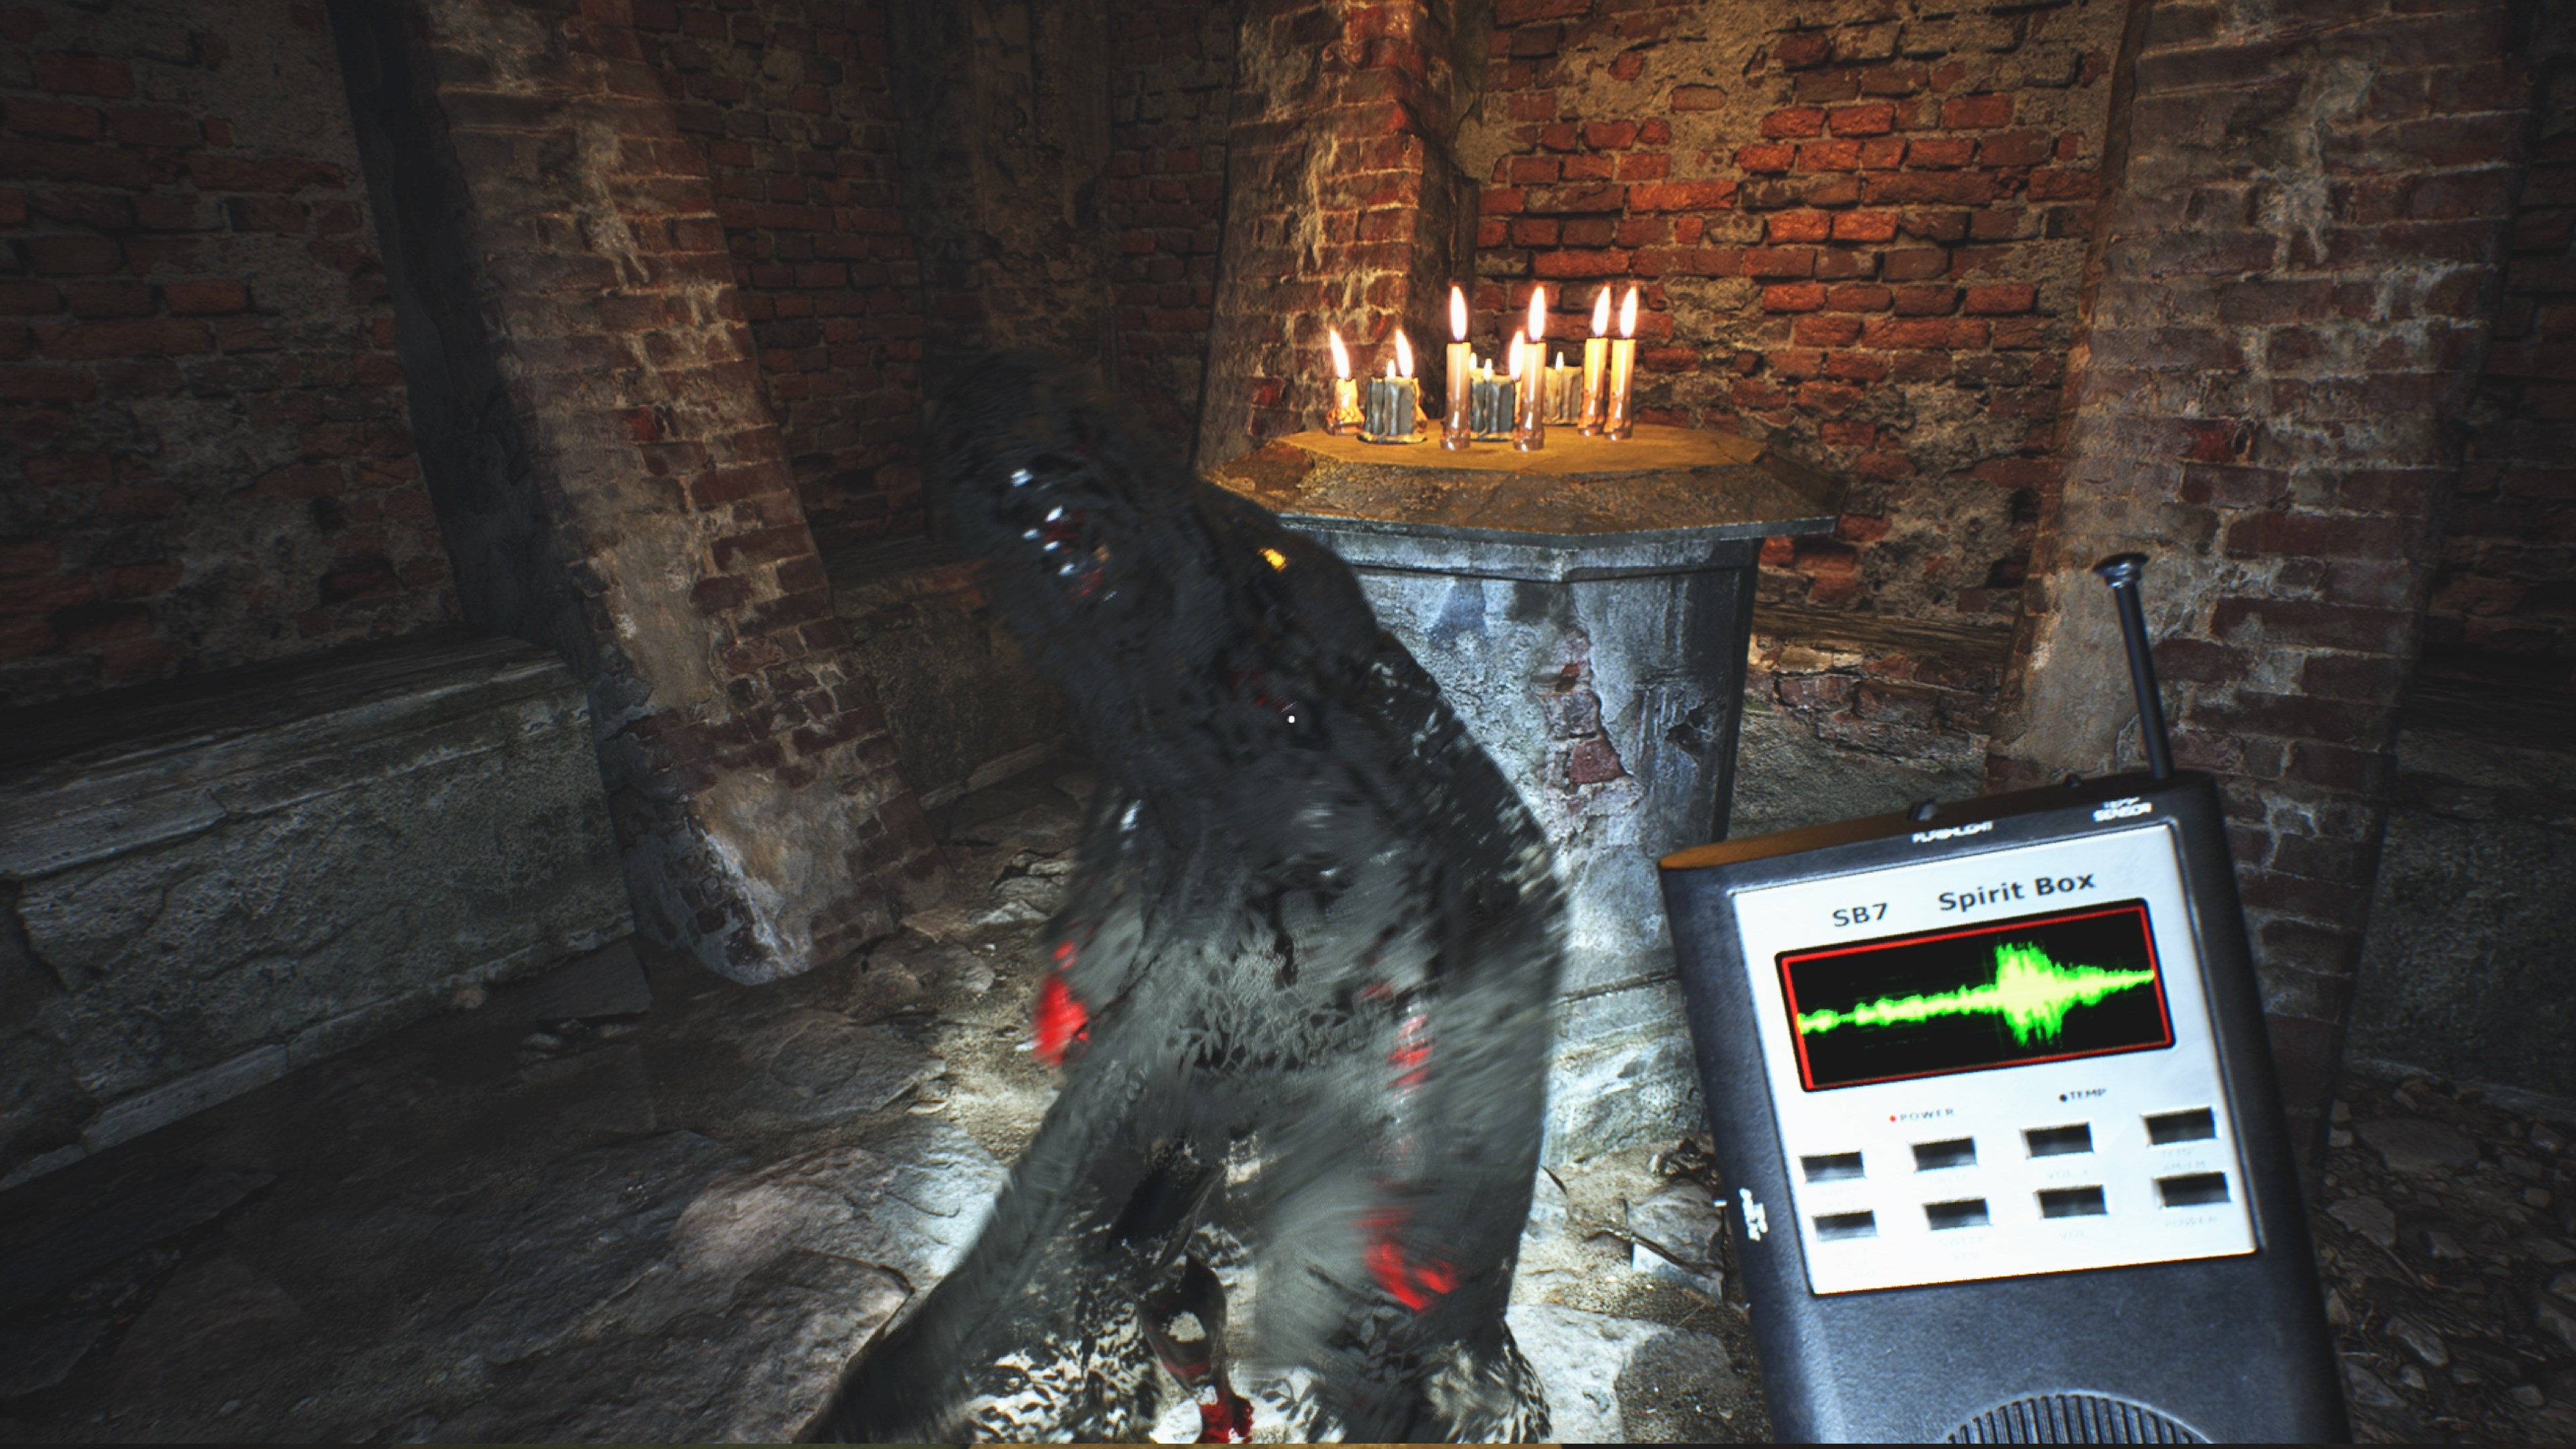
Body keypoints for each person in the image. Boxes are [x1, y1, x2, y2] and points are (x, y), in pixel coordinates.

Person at [806, 354, 1564, 1443]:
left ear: (1104, 476)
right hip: (1269, 896)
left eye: (1064, 518)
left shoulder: (1252, 596)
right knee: (1104, 1176)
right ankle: (1067, 1369)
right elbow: (1150, 770)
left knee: (1379, 1292)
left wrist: (1415, 1143)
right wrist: (1092, 943)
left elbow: (1395, 876)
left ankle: (1429, 1400)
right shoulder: (1127, 599)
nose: (1054, 555)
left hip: (1454, 918)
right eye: (1019, 530)